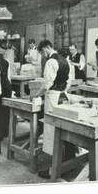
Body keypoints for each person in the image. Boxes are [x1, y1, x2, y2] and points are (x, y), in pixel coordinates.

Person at [34, 40, 76, 177]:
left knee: (50, 132)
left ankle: (48, 169)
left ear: (47, 48)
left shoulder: (50, 62)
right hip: (63, 96)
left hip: (52, 97)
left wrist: (36, 94)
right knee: (63, 128)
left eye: (43, 52)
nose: (43, 55)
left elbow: (47, 84)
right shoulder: (66, 61)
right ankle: (69, 162)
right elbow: (69, 81)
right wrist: (62, 90)